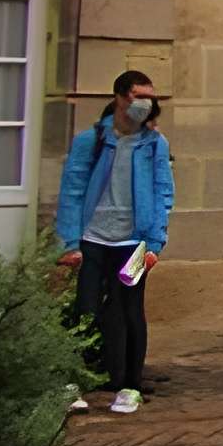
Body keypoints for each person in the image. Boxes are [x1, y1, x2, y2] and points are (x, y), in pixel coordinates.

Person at [55, 70, 171, 416]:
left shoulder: (154, 144)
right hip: (93, 240)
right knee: (85, 310)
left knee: (130, 310)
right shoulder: (90, 140)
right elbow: (72, 190)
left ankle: (130, 386)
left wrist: (155, 243)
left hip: (134, 244)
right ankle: (74, 383)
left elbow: (164, 192)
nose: (146, 104)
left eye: (151, 97)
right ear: (121, 97)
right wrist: (69, 242)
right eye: (139, 96)